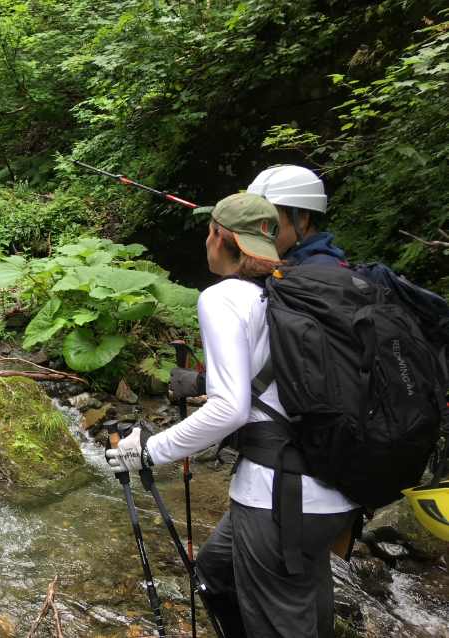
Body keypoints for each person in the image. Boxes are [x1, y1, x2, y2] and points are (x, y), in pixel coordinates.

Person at [106, 192, 359, 638]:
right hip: (335, 488)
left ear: (220, 237)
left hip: (277, 498)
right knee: (216, 571)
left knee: (283, 620)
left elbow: (230, 408)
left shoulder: (223, 298)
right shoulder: (293, 289)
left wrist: (146, 451)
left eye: (209, 232)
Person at [247, 165, 347, 267]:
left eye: (267, 221)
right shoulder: (291, 262)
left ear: (301, 220)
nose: (257, 230)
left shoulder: (320, 271)